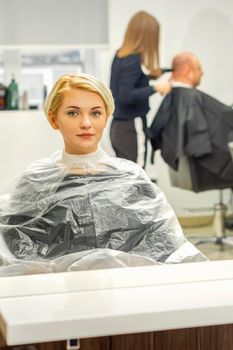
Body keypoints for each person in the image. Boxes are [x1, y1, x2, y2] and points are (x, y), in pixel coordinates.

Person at [0, 73, 206, 275]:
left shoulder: (130, 178)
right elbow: (13, 255)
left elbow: (167, 247)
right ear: (53, 120)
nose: (86, 123)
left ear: (107, 117)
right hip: (58, 295)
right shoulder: (36, 182)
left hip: (126, 292)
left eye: (96, 113)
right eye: (73, 113)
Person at [149, 52, 233, 192]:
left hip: (192, 168)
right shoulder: (191, 98)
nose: (202, 73)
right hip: (205, 168)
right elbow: (225, 120)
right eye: (199, 68)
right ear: (188, 71)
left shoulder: (174, 96)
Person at [110, 11, 171, 169]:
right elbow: (126, 95)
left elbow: (128, 82)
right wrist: (156, 87)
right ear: (147, 36)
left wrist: (152, 75)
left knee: (128, 178)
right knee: (136, 177)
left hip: (119, 127)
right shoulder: (133, 60)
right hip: (132, 127)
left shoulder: (121, 55)